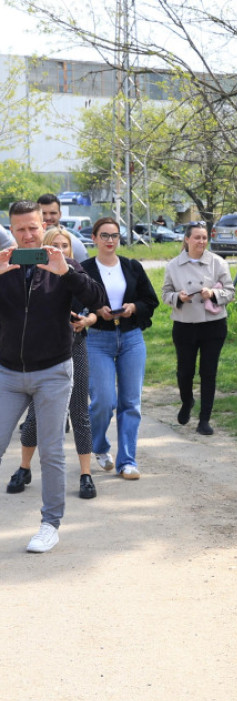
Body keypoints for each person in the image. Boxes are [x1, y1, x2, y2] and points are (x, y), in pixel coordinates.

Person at [0, 200, 104, 552]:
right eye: (21, 229)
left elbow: (97, 299)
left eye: (33, 227)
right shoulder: (4, 265)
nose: (28, 235)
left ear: (42, 226)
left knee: (51, 451)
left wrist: (66, 272)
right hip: (8, 373)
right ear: (11, 231)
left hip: (53, 372)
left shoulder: (64, 264)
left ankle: (50, 525)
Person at [6, 226, 98, 500]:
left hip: (75, 347)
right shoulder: (35, 276)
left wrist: (87, 320)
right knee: (34, 417)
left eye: (65, 245)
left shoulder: (75, 272)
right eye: (54, 245)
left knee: (79, 411)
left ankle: (85, 474)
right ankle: (24, 467)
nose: (60, 250)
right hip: (45, 355)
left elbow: (94, 305)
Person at [83, 217, 160, 479]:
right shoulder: (84, 269)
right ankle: (99, 446)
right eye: (104, 235)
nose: (110, 240)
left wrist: (134, 307)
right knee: (104, 401)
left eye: (114, 235)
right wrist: (96, 311)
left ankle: (127, 461)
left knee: (131, 403)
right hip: (97, 339)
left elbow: (150, 300)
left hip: (130, 338)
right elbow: (74, 302)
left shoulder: (132, 266)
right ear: (94, 238)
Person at [161, 221, 236, 435]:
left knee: (208, 372)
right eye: (197, 237)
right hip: (184, 325)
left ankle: (204, 420)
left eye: (204, 237)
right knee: (185, 372)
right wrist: (178, 297)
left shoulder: (218, 262)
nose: (201, 241)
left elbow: (230, 292)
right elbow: (165, 294)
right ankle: (187, 401)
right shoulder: (173, 265)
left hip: (213, 325)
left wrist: (213, 294)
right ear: (187, 239)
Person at [37, 192, 88, 263]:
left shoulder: (74, 243)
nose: (48, 217)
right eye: (43, 213)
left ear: (60, 214)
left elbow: (85, 268)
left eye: (53, 213)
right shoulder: (29, 241)